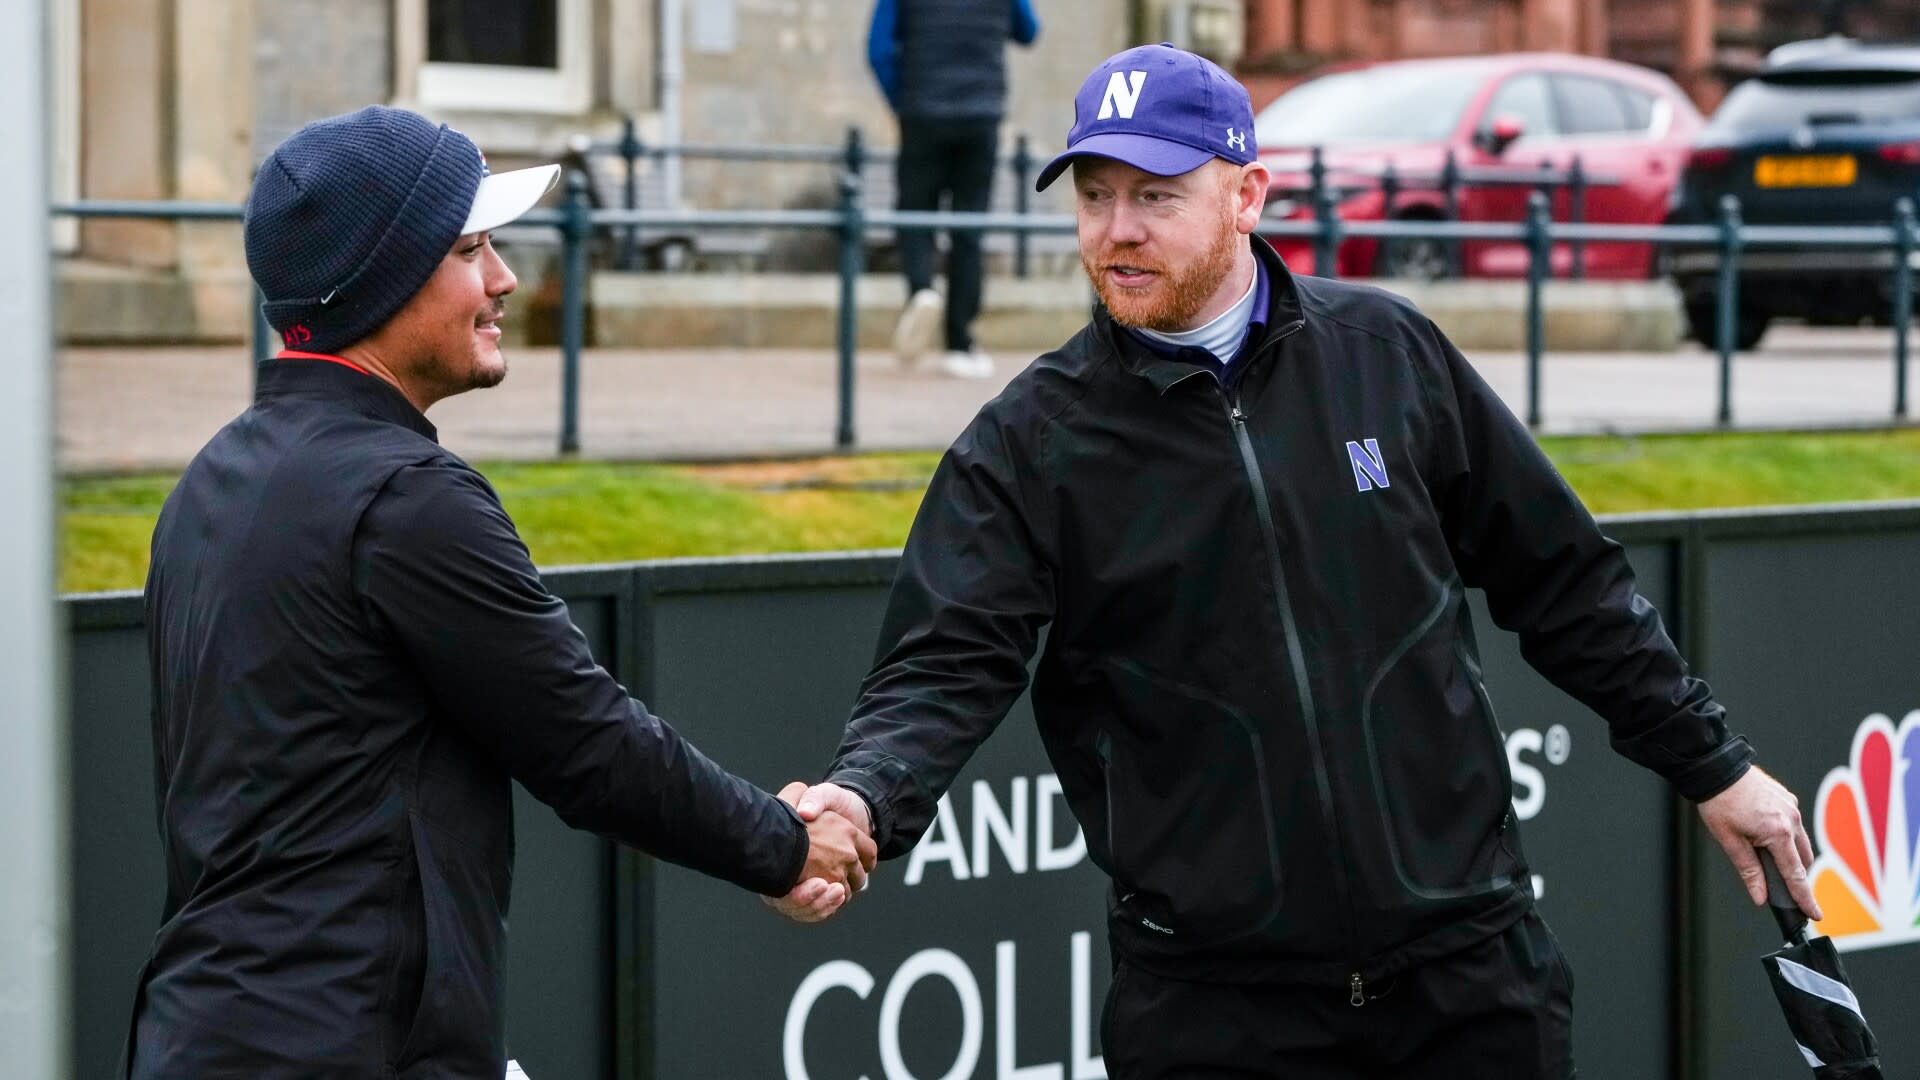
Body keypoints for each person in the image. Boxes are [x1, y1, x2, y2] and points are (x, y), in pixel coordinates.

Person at [769, 44, 1821, 1078]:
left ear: (1247, 195)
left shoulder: (1387, 355)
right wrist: (865, 800)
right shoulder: (1032, 439)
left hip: (1470, 979)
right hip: (1213, 1011)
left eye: (1156, 196)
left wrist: (1713, 765)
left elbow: (1566, 581)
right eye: (1095, 197)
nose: (1118, 233)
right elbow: (945, 662)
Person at [131, 106, 874, 1079]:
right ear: (385, 277)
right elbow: (588, 741)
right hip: (346, 1045)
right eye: (471, 248)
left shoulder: (211, 482)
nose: (504, 278)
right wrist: (785, 846)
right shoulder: (408, 496)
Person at [867, 0, 1039, 379]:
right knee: (969, 228)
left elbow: (877, 49)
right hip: (981, 115)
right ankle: (960, 343)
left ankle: (921, 290)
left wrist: (903, 99)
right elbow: (1028, 31)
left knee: (914, 213)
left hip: (922, 112)